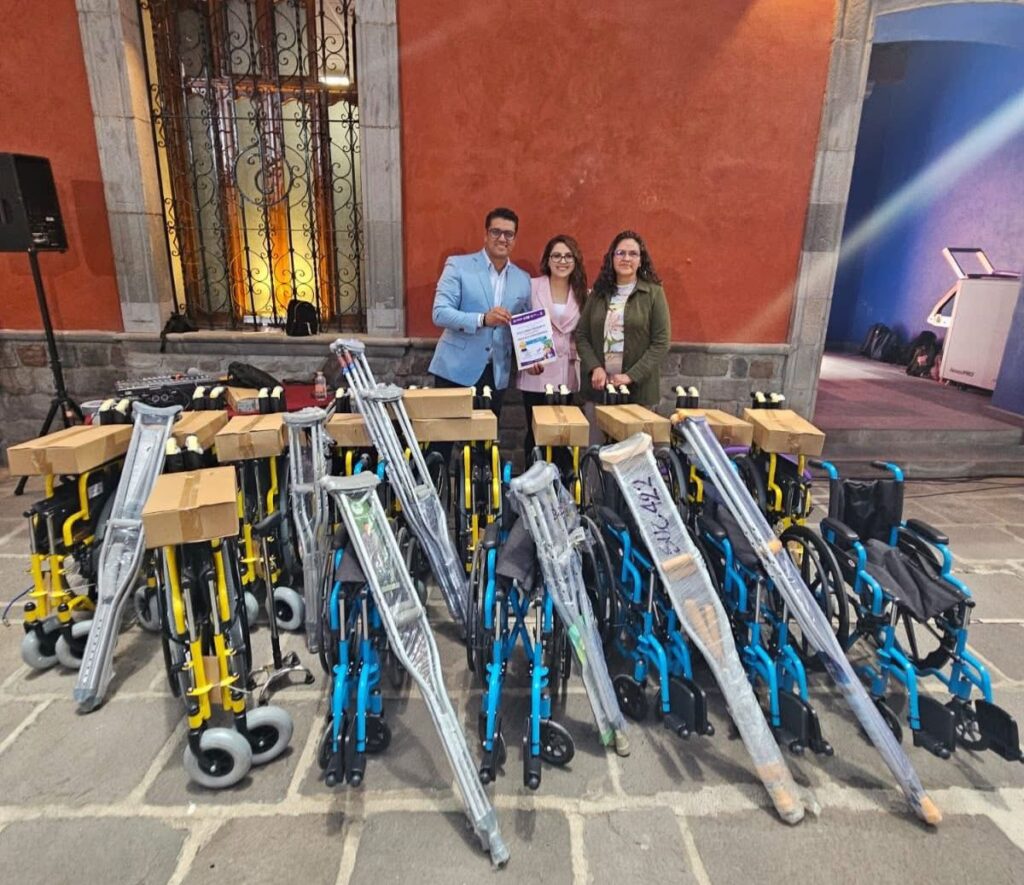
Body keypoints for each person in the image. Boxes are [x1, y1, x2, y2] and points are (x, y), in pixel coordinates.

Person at [428, 207, 532, 418]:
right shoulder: (458, 265)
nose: (502, 238)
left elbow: (525, 325)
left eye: (509, 234)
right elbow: (439, 313)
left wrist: (532, 357)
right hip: (455, 369)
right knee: (447, 436)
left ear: (515, 239)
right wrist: (483, 319)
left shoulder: (523, 279)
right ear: (485, 235)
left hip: (496, 374)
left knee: (487, 437)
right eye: (496, 232)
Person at [575, 230, 670, 425]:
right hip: (599, 388)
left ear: (641, 260)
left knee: (634, 444)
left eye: (633, 254)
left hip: (637, 391)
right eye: (621, 253)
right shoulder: (599, 292)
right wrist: (595, 367)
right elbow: (582, 335)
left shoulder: (653, 293)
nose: (626, 258)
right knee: (596, 442)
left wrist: (630, 376)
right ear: (612, 257)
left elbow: (661, 342)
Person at [517, 234, 588, 460]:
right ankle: (532, 478)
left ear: (575, 261)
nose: (562, 261)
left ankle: (560, 480)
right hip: (536, 371)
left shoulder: (583, 293)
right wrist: (526, 359)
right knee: (536, 434)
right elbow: (519, 323)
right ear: (547, 260)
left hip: (568, 374)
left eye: (568, 256)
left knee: (563, 436)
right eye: (556, 255)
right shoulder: (531, 286)